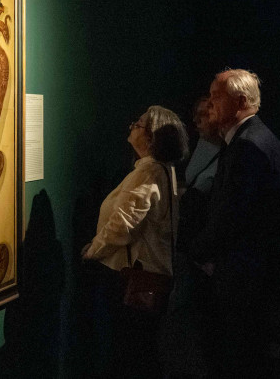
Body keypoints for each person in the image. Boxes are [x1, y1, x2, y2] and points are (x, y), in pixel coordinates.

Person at [189, 69, 280, 378]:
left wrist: (197, 251)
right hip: (250, 272)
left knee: (238, 356)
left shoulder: (248, 146)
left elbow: (233, 216)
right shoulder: (255, 139)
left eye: (216, 96)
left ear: (242, 102)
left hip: (241, 275)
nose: (209, 104)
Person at [81, 105, 189, 378]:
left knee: (132, 354)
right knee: (142, 352)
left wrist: (94, 250)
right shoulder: (164, 170)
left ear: (152, 136)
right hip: (151, 276)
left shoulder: (148, 172)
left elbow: (123, 225)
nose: (132, 127)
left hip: (133, 281)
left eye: (138, 124)